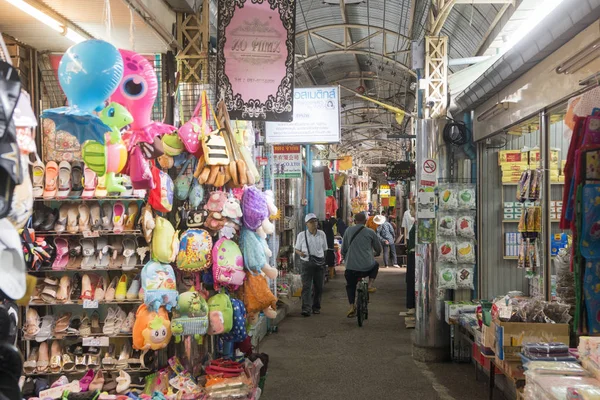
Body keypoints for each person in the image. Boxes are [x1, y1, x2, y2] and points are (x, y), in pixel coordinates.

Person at [342, 212, 382, 318]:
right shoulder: (370, 232)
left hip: (351, 267)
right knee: (376, 265)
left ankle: (351, 306)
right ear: (365, 221)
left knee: (350, 285)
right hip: (366, 267)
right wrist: (376, 253)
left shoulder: (348, 231)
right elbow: (378, 249)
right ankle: (369, 285)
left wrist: (346, 256)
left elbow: (343, 249)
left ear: (355, 221)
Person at [295, 213, 328, 317]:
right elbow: (296, 249)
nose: (314, 223)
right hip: (306, 263)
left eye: (315, 221)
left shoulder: (322, 234)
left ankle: (316, 307)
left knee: (319, 286)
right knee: (307, 287)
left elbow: (325, 249)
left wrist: (323, 261)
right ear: (306, 224)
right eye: (311, 222)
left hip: (319, 263)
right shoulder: (301, 235)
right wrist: (301, 253)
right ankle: (306, 308)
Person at [400, 218, 416, 328]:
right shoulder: (415, 222)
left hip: (414, 254)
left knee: (412, 280)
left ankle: (412, 306)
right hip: (413, 254)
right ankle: (412, 306)